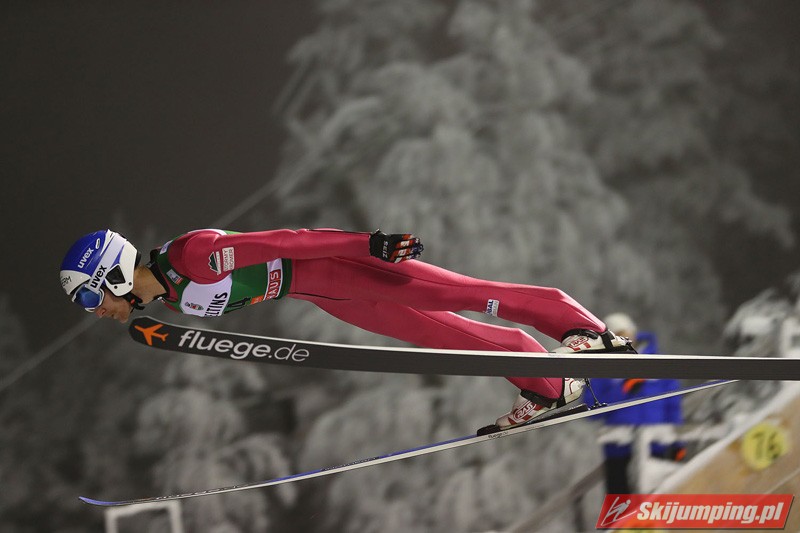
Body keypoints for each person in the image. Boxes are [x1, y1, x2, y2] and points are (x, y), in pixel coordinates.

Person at [60, 228, 635, 429]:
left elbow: (288, 242)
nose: (95, 310)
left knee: (460, 293)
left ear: (112, 273)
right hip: (324, 294)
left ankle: (589, 332)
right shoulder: (171, 292)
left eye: (90, 297)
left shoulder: (192, 257)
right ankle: (548, 384)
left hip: (341, 267)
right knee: (444, 335)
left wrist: (368, 246)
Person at [587, 313, 684, 494]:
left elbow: (673, 404)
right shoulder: (601, 366)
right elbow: (590, 409)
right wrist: (623, 389)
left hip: (656, 443)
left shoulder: (658, 362)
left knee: (659, 500)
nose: (622, 339)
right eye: (615, 335)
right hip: (619, 446)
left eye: (624, 333)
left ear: (633, 333)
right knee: (619, 503)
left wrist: (675, 439)